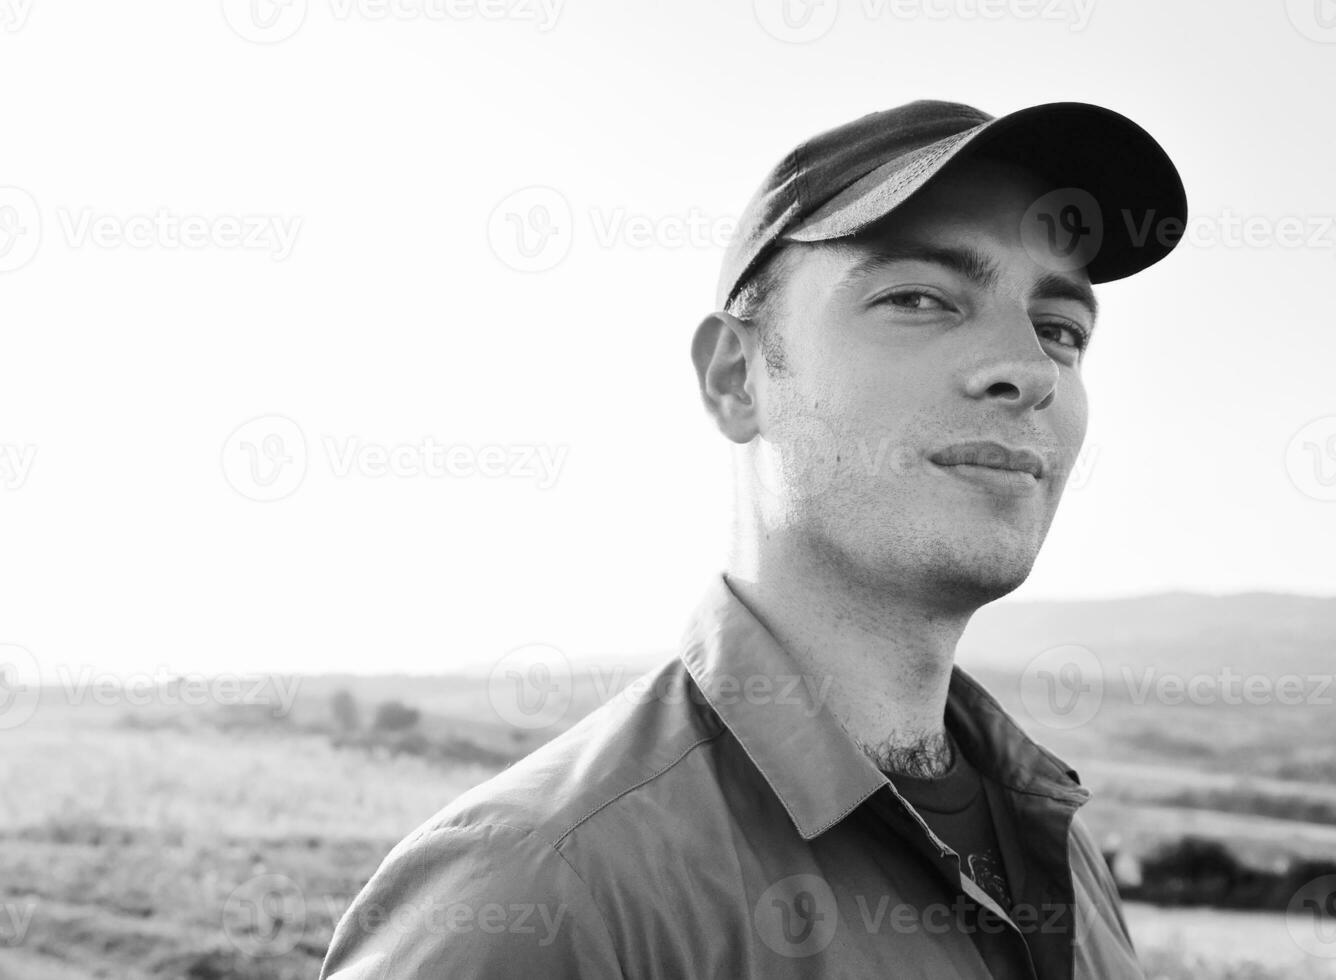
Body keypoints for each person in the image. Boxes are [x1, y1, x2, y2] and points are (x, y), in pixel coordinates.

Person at [320, 99, 1186, 979]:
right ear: (737, 379)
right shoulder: (540, 892)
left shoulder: (1064, 852)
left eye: (1061, 331)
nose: (1031, 369)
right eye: (919, 298)